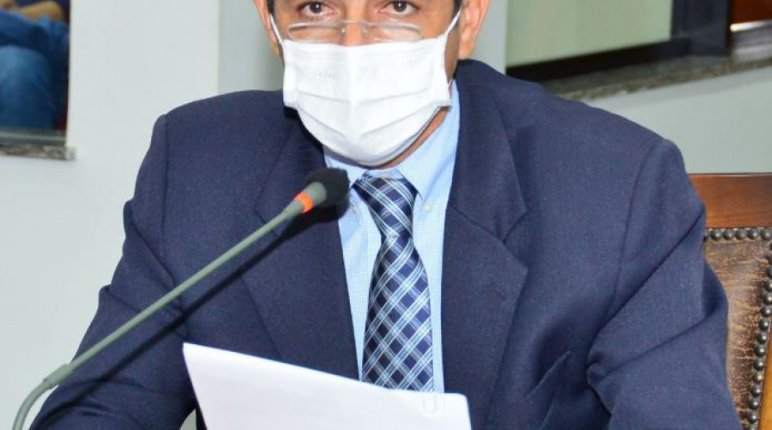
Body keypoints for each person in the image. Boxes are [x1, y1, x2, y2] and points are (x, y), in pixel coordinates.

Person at [32, 0, 741, 428]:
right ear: (270, 25)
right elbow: (100, 409)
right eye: (315, 9)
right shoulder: (199, 168)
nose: (354, 46)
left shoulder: (613, 185)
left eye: (398, 7)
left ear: (467, 19)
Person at [0, 0, 69, 129]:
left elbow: (59, 10)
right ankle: (59, 42)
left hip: (28, 54)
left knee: (17, 71)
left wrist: (11, 16)